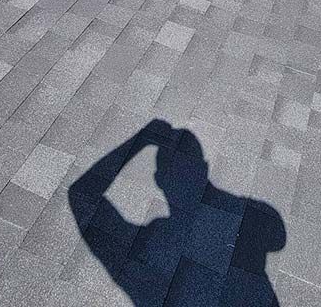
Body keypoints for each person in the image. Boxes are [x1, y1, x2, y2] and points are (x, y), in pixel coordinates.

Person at [68, 119, 286, 306]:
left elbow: (81, 194)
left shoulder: (150, 249)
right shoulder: (240, 228)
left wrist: (141, 140)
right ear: (205, 168)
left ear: (159, 179)